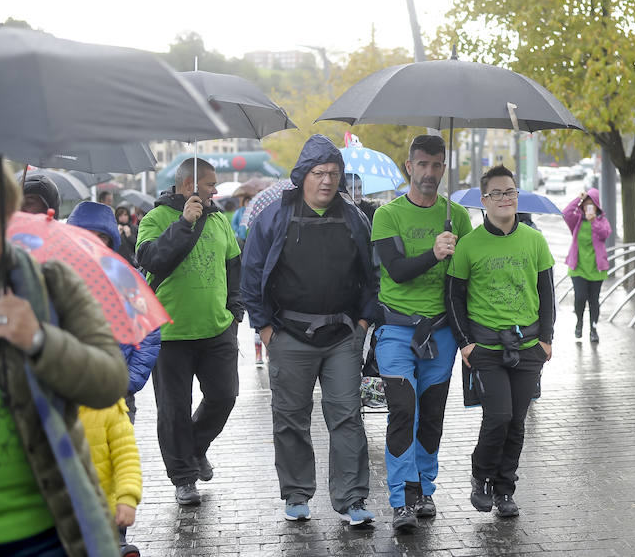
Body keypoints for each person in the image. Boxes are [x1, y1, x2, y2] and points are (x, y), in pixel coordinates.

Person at [0, 154, 128, 556]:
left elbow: (110, 379)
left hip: (47, 533)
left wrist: (40, 339)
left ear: (1, 205)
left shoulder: (51, 283)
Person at [241, 134, 377, 526]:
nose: (327, 181)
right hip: (288, 334)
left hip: (342, 337)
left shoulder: (354, 219)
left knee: (347, 417)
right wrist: (265, 329)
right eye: (319, 173)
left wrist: (363, 325)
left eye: (334, 173)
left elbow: (372, 276)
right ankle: (297, 494)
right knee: (290, 418)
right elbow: (251, 276)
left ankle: (352, 499)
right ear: (302, 176)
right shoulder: (274, 217)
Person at [370, 134, 473, 531]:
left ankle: (425, 487)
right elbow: (396, 269)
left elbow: (465, 281)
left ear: (444, 169)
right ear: (408, 167)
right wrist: (433, 252)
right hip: (396, 331)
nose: (429, 173)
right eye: (422, 164)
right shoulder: (387, 215)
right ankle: (401, 499)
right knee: (403, 412)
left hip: (441, 335)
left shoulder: (457, 218)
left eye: (436, 165)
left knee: (431, 416)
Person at [445, 166, 555, 518]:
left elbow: (547, 293)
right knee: (499, 417)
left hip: (528, 346)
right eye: (497, 193)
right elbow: (453, 297)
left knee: (517, 422)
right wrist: (465, 343)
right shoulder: (469, 245)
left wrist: (547, 341)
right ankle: (481, 476)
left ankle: (505, 489)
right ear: (484, 200)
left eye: (510, 192)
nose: (505, 199)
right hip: (486, 347)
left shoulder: (534, 240)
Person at [135, 157, 243, 506]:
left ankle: (195, 447)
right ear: (188, 186)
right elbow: (152, 260)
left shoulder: (220, 220)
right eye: (210, 184)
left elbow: (233, 266)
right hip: (169, 334)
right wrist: (183, 223)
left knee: (224, 396)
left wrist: (235, 311)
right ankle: (183, 478)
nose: (215, 189)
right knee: (173, 409)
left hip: (216, 330)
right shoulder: (155, 218)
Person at [67, 201, 161, 423]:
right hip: (68, 392)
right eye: (85, 234)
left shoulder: (125, 278)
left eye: (100, 236)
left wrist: (128, 382)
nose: (92, 241)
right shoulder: (56, 275)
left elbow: (149, 335)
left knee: (120, 455)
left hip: (116, 393)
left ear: (110, 240)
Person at [77, 399, 142, 557]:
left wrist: (127, 497)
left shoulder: (109, 408)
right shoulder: (40, 410)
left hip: (106, 510)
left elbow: (126, 458)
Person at [562, 189, 611, 343]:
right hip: (578, 268)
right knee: (580, 298)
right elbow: (566, 212)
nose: (588, 208)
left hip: (596, 269)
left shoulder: (602, 221)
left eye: (592, 205)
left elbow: (605, 234)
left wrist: (594, 221)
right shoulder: (576, 221)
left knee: (594, 300)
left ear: (597, 206)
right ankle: (579, 323)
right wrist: (578, 199)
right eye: (586, 205)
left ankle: (593, 329)